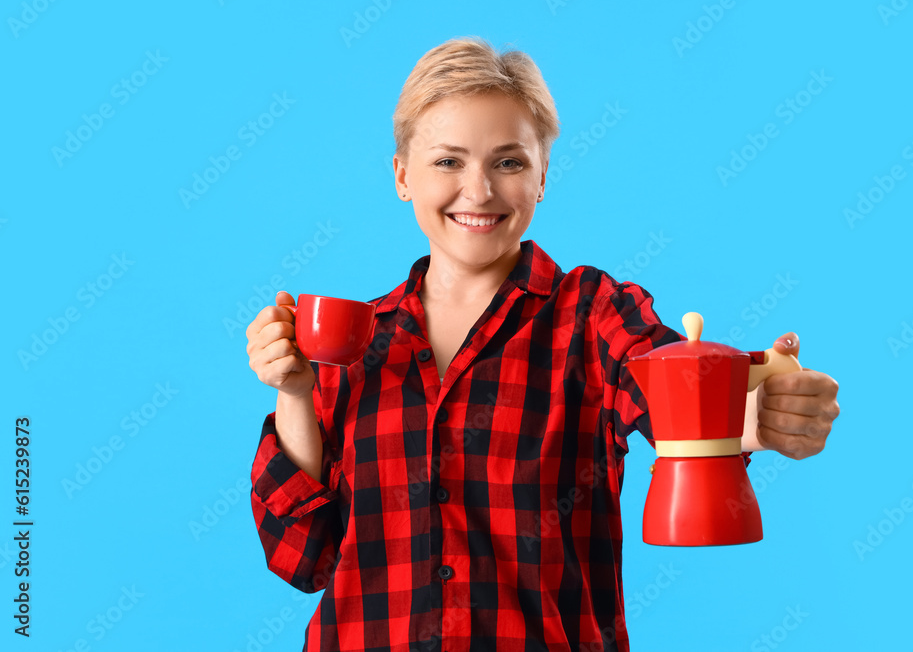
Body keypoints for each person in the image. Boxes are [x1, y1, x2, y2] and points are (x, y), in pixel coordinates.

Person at [245, 37, 840, 652]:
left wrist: (765, 416)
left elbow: (676, 407)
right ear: (401, 175)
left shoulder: (592, 314)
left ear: (542, 176)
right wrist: (294, 392)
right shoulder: (349, 342)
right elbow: (301, 557)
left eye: (508, 162)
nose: (477, 192)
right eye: (448, 162)